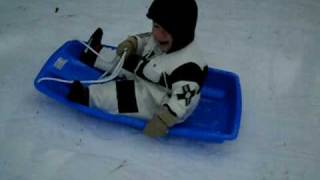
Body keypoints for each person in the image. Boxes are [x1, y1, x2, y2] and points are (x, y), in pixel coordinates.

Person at [68, 0, 208, 138]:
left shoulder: (189, 68)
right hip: (150, 72)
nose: (157, 34)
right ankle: (94, 55)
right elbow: (147, 39)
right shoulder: (162, 39)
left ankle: (88, 97)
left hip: (156, 100)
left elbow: (182, 99)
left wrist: (163, 120)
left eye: (165, 31)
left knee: (119, 95)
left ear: (182, 33)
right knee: (124, 59)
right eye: (156, 26)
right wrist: (133, 43)